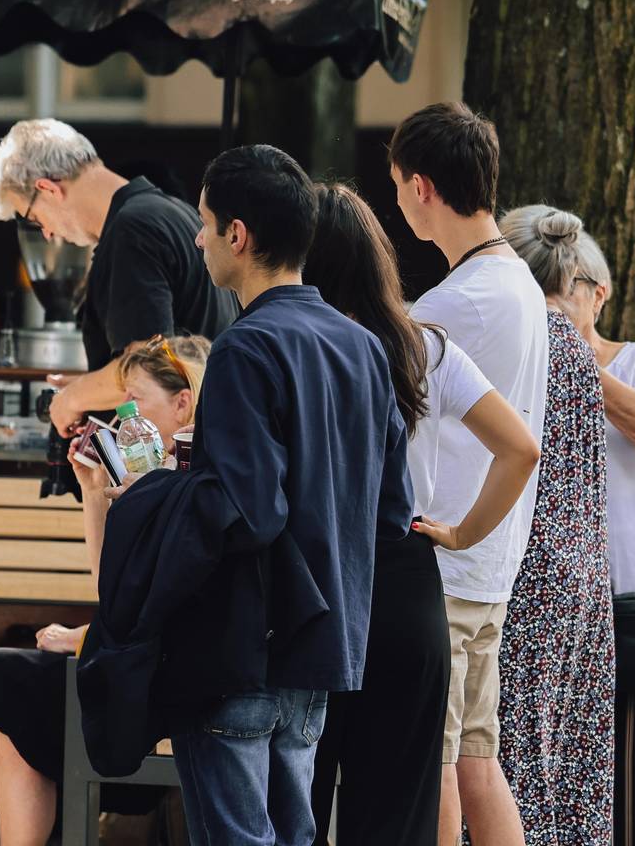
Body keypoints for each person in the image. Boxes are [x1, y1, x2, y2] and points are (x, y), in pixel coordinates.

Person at [163, 143, 410, 846]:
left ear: (238, 236)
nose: (199, 236)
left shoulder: (245, 347)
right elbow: (392, 511)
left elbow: (245, 510)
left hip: (243, 642)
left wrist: (162, 498)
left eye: (206, 222)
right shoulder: (363, 347)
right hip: (325, 644)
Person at [305, 184, 540, 846]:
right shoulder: (424, 347)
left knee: (301, 798)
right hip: (411, 583)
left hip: (321, 583)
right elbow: (521, 449)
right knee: (398, 813)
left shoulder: (302, 347)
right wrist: (463, 533)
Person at [0, 335, 209, 846]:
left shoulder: (196, 480)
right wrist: (93, 493)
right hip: (130, 667)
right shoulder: (153, 474)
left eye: (137, 402)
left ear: (183, 402)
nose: (124, 418)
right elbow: (116, 591)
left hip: (158, 683)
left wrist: (82, 638)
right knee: (1, 699)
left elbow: (170, 611)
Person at [386, 101, 549, 846]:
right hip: (490, 565)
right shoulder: (516, 281)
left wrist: (455, 532)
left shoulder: (451, 304)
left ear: (421, 187)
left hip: (450, 565)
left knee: (438, 764)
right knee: (477, 762)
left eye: (395, 186)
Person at [531, 207, 635, 844]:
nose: (551, 303)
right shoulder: (525, 367)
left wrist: (578, 367)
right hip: (556, 608)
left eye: (564, 288)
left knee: (631, 784)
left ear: (597, 295)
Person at [494, 205, 619, 846]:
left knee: (509, 752)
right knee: (567, 756)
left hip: (528, 560)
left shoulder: (522, 332)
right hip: (582, 567)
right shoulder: (572, 339)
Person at [0, 119, 237, 428]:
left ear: (48, 189)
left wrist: (73, 398)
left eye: (34, 218)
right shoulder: (171, 211)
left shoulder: (132, 230)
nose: (48, 234)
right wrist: (88, 388)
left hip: (178, 458)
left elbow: (144, 370)